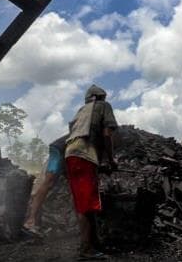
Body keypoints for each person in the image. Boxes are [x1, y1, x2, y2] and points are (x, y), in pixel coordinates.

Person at [65, 85, 118, 260]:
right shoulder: (104, 106)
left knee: (83, 204)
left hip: (70, 154)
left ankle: (92, 244)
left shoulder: (81, 111)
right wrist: (111, 160)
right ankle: (86, 250)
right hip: (85, 156)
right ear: (100, 97)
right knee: (87, 205)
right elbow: (107, 134)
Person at [23, 133, 69, 235]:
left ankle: (32, 219)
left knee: (48, 183)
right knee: (48, 183)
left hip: (62, 150)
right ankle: (31, 220)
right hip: (59, 150)